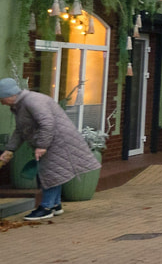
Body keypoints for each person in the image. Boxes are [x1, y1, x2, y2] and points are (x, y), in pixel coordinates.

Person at [0, 78, 102, 222]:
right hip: (54, 140)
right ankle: (55, 205)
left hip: (58, 141)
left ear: (9, 95)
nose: (1, 102)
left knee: (49, 173)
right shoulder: (21, 104)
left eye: (1, 99)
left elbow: (47, 123)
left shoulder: (32, 101)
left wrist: (42, 145)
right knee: (55, 171)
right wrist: (9, 150)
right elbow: (20, 130)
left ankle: (46, 208)